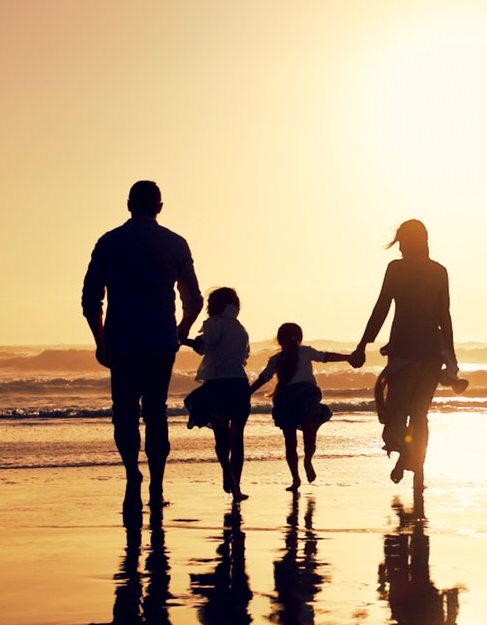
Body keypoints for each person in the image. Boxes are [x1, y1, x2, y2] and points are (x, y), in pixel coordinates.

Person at [82, 180, 201, 508]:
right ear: (159, 208)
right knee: (155, 412)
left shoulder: (109, 242)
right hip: (160, 340)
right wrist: (182, 330)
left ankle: (133, 473)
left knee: (124, 413)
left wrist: (100, 340)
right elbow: (194, 300)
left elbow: (91, 300)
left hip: (122, 340)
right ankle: (157, 485)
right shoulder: (175, 243)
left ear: (129, 204)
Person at [350, 219, 459, 488]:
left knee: (397, 412)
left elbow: (382, 307)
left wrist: (363, 344)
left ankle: (405, 456)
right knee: (420, 414)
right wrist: (450, 355)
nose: (399, 250)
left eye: (401, 243)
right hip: (432, 353)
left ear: (407, 242)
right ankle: (418, 471)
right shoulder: (439, 271)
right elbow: (444, 315)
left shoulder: (396, 270)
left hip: (403, 352)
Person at [250, 322, 357, 491]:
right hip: (307, 397)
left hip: (285, 400)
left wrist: (247, 392)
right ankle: (308, 460)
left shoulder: (276, 359)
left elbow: (264, 378)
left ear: (279, 340)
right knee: (309, 433)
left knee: (290, 442)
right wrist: (348, 357)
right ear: (300, 338)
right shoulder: (305, 351)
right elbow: (326, 357)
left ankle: (295, 479)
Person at [181, 287, 251, 501]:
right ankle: (236, 487)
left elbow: (203, 346)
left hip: (218, 385)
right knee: (237, 438)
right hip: (239, 385)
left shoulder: (214, 324)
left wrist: (182, 339)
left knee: (221, 437)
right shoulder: (241, 329)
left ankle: (226, 473)